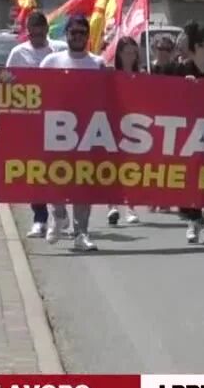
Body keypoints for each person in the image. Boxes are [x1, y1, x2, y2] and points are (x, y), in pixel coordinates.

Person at [39, 16, 103, 252]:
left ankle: (81, 233)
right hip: (56, 131)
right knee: (54, 178)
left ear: (88, 36)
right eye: (73, 32)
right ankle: (57, 215)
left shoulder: (97, 63)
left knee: (83, 183)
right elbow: (36, 91)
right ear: (66, 34)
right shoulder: (51, 61)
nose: (77, 36)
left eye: (82, 33)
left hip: (88, 132)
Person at [5, 11, 63, 238]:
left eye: (40, 33)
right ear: (28, 32)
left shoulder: (57, 52)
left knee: (58, 168)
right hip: (30, 121)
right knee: (34, 170)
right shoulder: (18, 53)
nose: (36, 37)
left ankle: (59, 213)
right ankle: (39, 218)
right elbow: (7, 82)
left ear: (47, 31)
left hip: (57, 119)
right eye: (32, 33)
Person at [176, 23, 204, 245]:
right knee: (190, 178)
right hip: (189, 135)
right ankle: (193, 221)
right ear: (195, 47)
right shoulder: (182, 70)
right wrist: (184, 88)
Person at [103, 37, 143, 228]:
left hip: (136, 126)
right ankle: (112, 206)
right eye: (127, 53)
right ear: (119, 54)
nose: (131, 57)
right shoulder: (111, 74)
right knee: (112, 165)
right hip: (113, 124)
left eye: (133, 53)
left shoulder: (142, 75)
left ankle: (130, 207)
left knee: (131, 167)